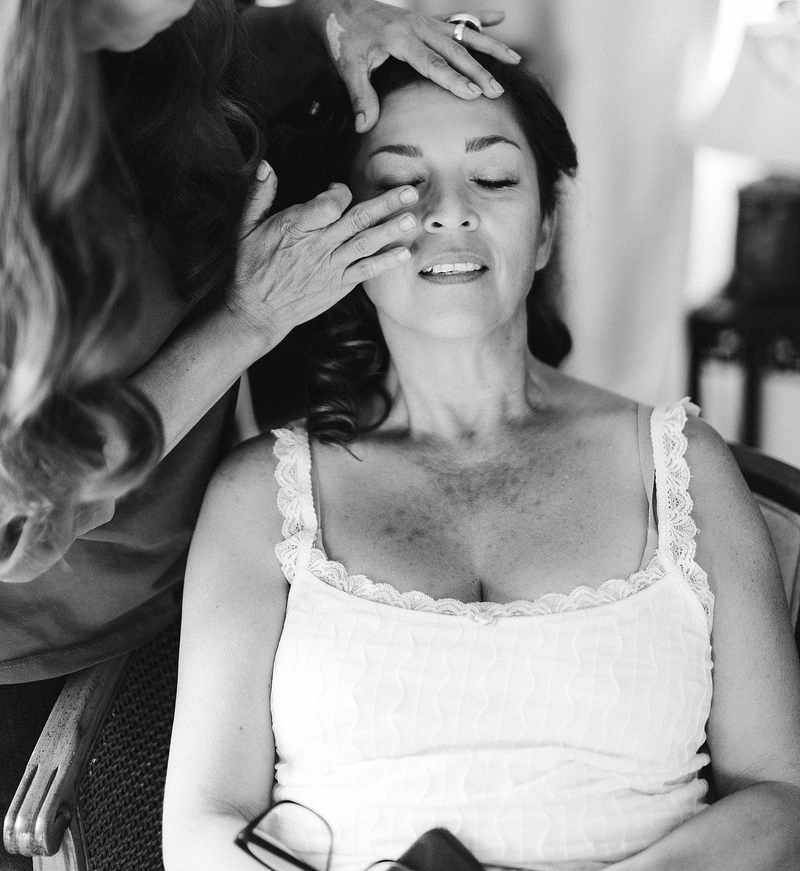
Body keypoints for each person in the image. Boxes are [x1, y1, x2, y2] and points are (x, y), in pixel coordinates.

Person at [0, 0, 519, 857]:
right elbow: (20, 497)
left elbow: (217, 43)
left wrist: (329, 21)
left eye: (495, 179)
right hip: (36, 651)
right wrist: (244, 321)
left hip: (184, 579)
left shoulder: (135, 33)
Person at [164, 58, 800, 871]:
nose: (450, 210)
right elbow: (202, 827)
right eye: (401, 184)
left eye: (494, 179)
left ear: (544, 234)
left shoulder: (679, 465)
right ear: (343, 243)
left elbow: (779, 796)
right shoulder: (262, 492)